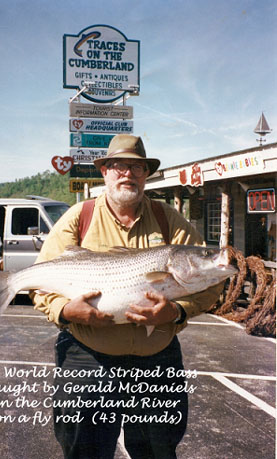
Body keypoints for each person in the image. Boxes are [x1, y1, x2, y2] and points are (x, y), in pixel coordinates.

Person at [31, 134, 222, 459]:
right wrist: (66, 311)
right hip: (87, 359)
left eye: (136, 167)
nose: (127, 174)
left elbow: (211, 282)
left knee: (157, 451)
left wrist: (175, 312)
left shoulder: (169, 220)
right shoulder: (80, 217)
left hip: (157, 362)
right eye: (118, 166)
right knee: (84, 451)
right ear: (104, 171)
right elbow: (40, 284)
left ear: (146, 174)